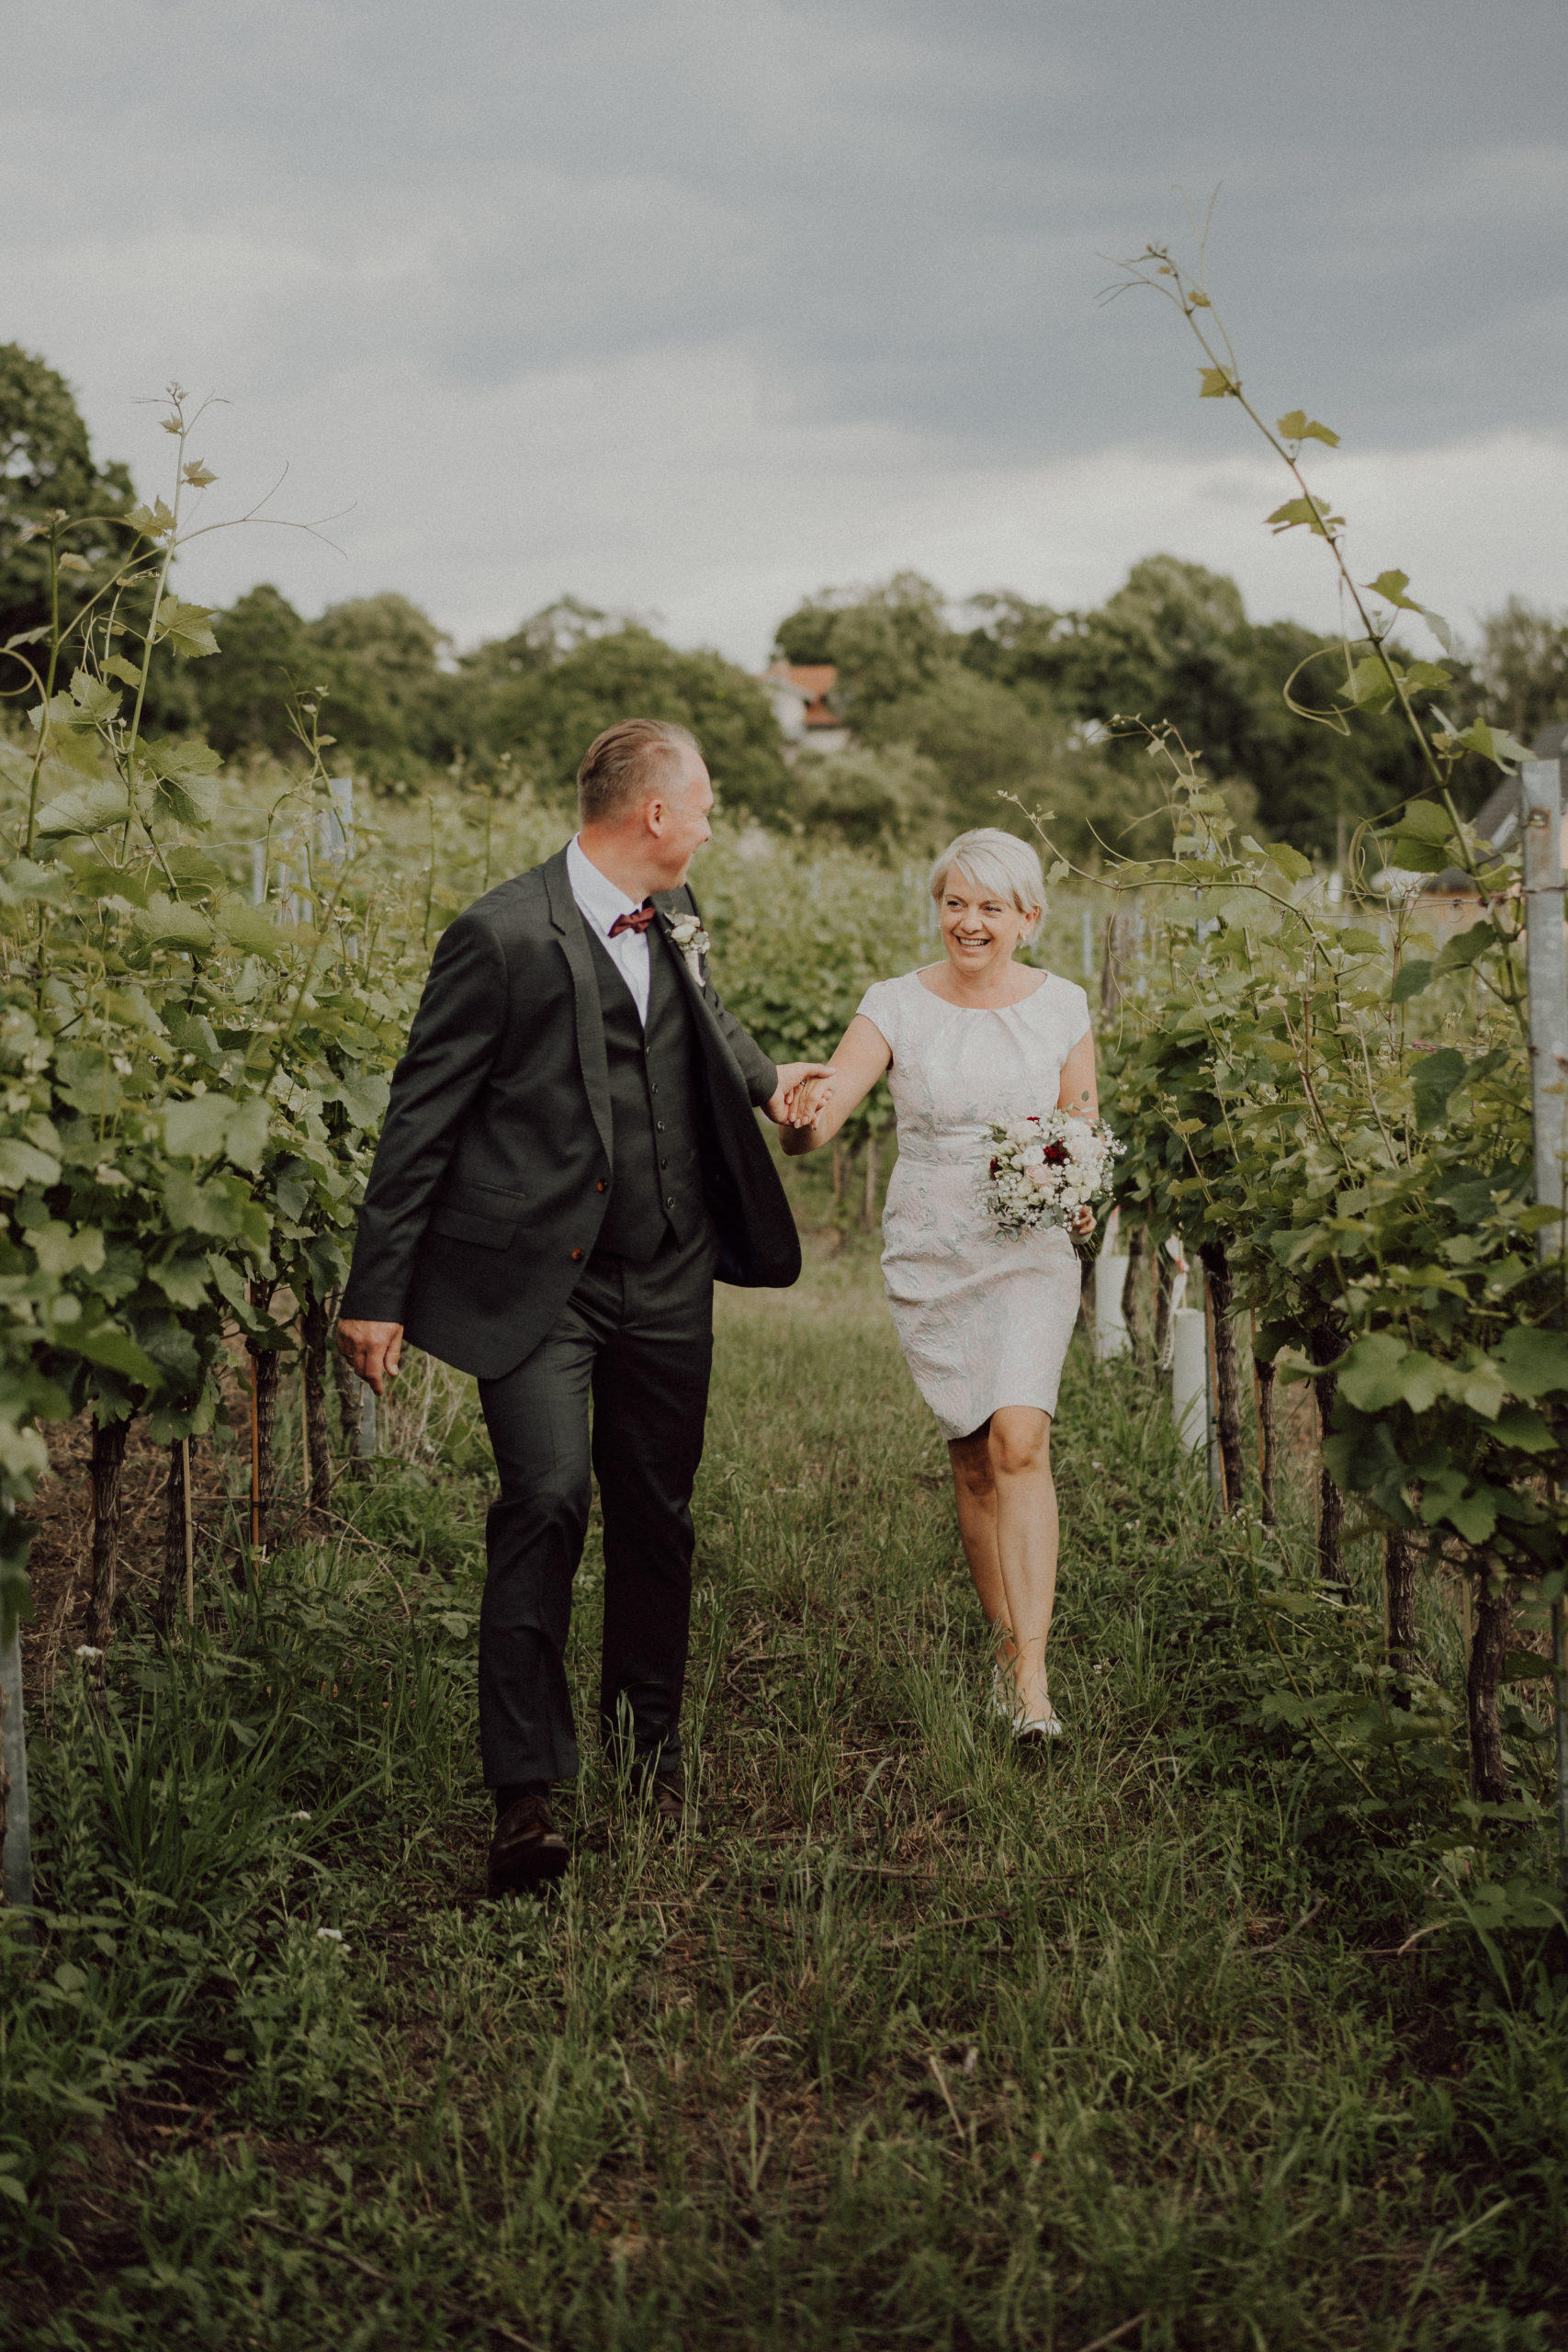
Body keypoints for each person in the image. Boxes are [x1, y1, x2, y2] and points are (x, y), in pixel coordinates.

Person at [337, 719, 830, 1894]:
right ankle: (525, 1795)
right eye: (702, 801)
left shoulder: (678, 910)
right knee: (547, 1498)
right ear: (652, 813)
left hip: (667, 1266)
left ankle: (646, 1748)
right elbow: (422, 1119)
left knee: (657, 1510)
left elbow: (702, 1018)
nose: (711, 820)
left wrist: (772, 1087)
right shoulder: (500, 934)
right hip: (536, 1279)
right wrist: (377, 1290)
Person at [783, 828, 1096, 1741]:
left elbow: (1082, 1128)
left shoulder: (1064, 1005)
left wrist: (1077, 1193)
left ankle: (1033, 1685)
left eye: (990, 907)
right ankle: (1005, 1647)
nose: (969, 921)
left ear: (1027, 919)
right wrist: (800, 1123)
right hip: (932, 1248)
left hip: (1029, 1242)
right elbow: (827, 1107)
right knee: (971, 1449)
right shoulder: (894, 1005)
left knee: (1019, 1438)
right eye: (955, 902)